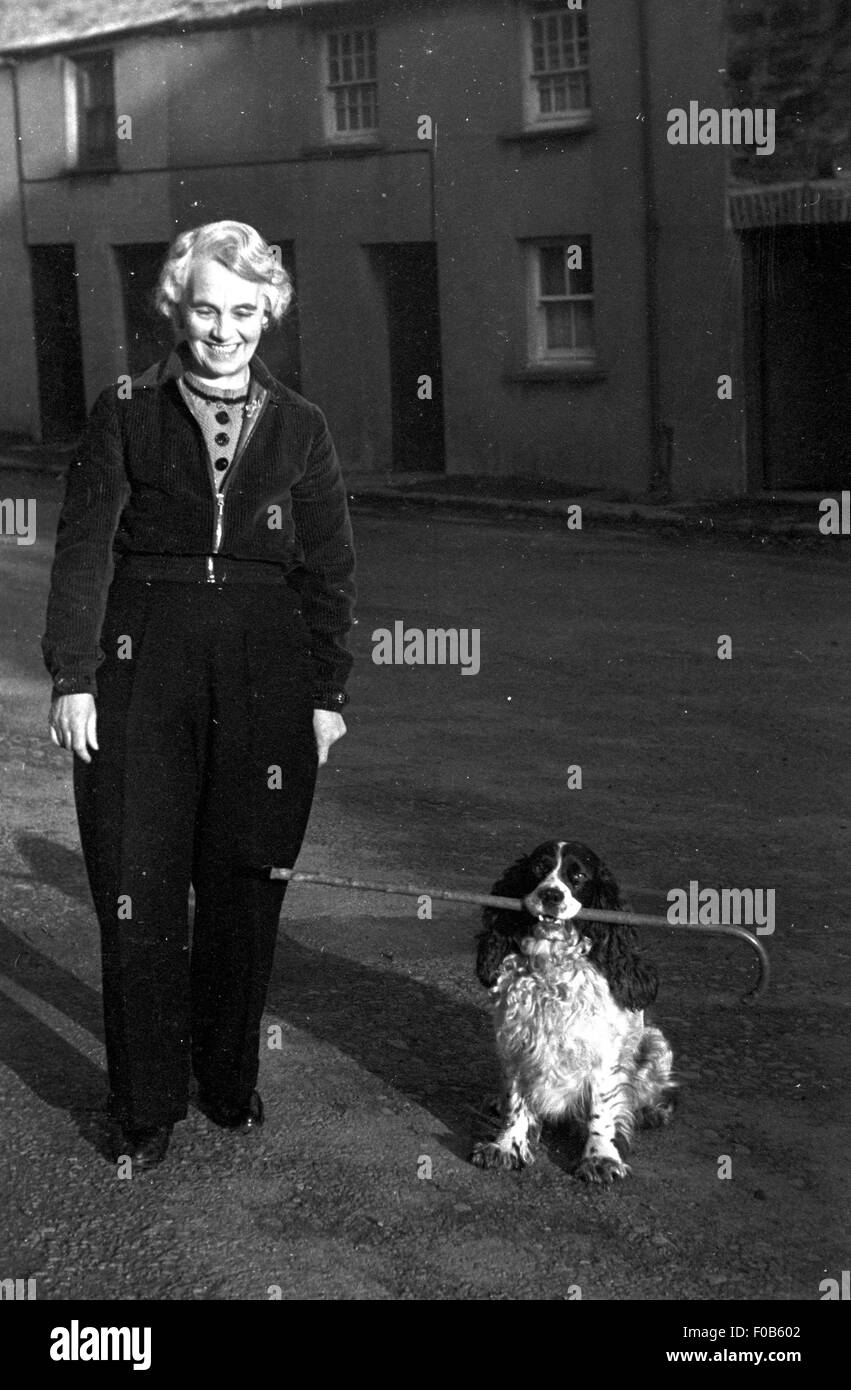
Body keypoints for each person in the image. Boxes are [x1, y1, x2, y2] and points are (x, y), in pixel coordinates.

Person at [42, 220, 356, 1170]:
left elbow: (329, 567)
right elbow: (86, 543)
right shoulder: (124, 408)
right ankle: (146, 1102)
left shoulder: (301, 425)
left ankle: (225, 1080)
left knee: (243, 883)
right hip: (143, 658)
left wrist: (327, 692)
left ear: (270, 315)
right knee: (137, 887)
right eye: (208, 309)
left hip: (267, 666)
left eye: (246, 313)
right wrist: (74, 674)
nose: (225, 331)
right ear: (178, 308)